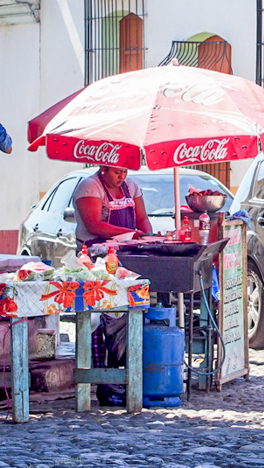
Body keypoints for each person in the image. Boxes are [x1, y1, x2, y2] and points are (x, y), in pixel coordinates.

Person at [71, 165, 154, 407]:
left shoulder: (132, 186)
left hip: (128, 259)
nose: (122, 176)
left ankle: (130, 378)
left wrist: (147, 239)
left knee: (128, 316)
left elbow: (142, 219)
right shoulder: (89, 187)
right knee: (98, 318)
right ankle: (104, 382)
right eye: (117, 172)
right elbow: (95, 225)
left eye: (125, 172)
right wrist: (133, 234)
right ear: (104, 168)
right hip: (96, 264)